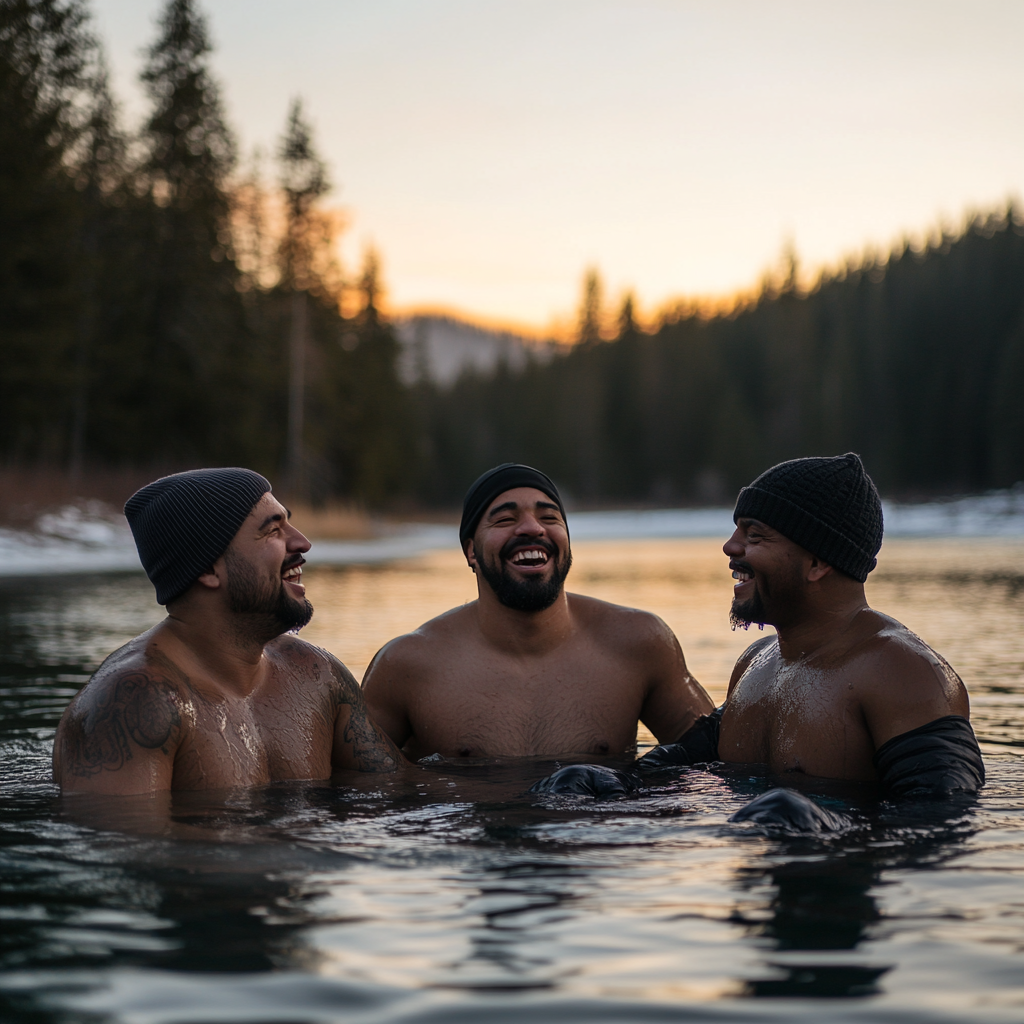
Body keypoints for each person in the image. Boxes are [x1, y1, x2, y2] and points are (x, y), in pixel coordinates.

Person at [536, 454, 984, 800]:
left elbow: (943, 822)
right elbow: (694, 760)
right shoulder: (757, 661)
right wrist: (619, 782)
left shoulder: (902, 671)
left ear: (817, 561)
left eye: (755, 535)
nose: (730, 547)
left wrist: (830, 827)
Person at [53, 468, 402, 795]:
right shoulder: (135, 702)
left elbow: (402, 790)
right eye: (272, 530)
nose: (302, 543)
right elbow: (131, 848)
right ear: (208, 568)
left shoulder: (315, 673)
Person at [361, 463, 714, 759]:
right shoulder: (407, 666)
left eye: (549, 516)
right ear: (471, 551)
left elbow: (718, 765)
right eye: (504, 520)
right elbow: (357, 792)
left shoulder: (638, 642)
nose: (532, 528)